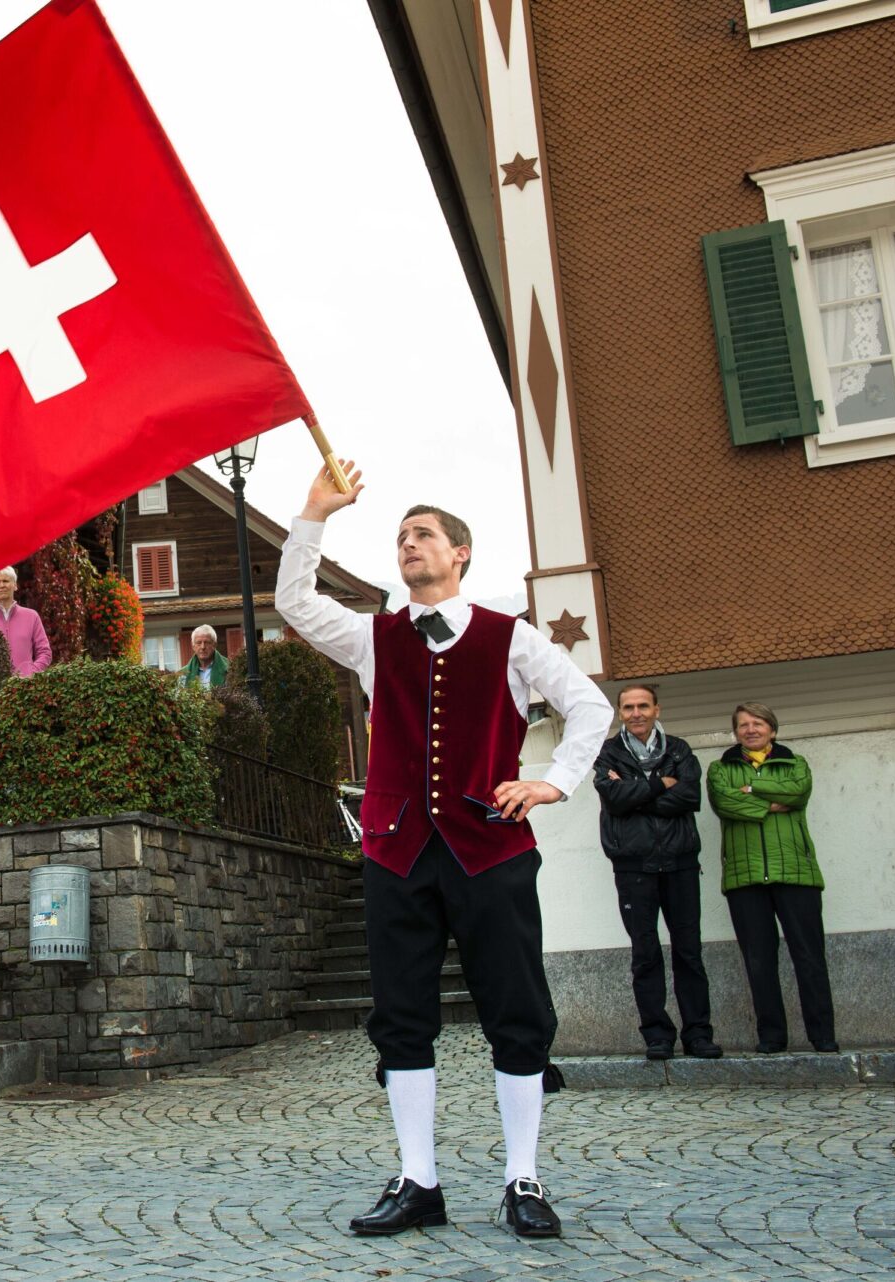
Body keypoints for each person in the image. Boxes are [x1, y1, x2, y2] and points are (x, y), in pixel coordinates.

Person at [277, 463, 610, 1240]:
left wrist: (551, 782)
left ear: (461, 553)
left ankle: (522, 1178)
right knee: (401, 1017)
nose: (408, 546)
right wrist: (313, 514)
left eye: (422, 535)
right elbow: (295, 601)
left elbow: (588, 706)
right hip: (397, 854)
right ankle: (418, 1179)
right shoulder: (373, 638)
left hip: (489, 849)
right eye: (400, 539)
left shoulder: (511, 638)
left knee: (516, 1010)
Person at [593, 685, 719, 1061]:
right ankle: (657, 1036)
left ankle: (698, 1034)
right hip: (634, 868)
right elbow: (613, 801)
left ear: (656, 709)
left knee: (689, 952)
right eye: (628, 707)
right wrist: (656, 785)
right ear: (619, 713)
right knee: (645, 954)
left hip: (679, 862)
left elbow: (689, 797)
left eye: (643, 706)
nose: (636, 713)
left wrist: (636, 794)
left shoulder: (678, 750)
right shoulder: (608, 753)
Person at [706, 701, 836, 1054]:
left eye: (758, 723)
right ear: (736, 732)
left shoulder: (796, 764)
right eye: (743, 725)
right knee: (759, 962)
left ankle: (823, 1036)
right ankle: (772, 1037)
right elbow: (725, 803)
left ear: (772, 730)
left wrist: (750, 791)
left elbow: (797, 793)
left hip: (797, 874)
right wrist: (767, 801)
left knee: (809, 958)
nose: (751, 729)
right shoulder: (720, 770)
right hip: (745, 878)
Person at [0, 566, 52, 676]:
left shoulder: (31, 616)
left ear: (15, 585)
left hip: (25, 687)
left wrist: (31, 673)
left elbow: (45, 652)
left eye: (6, 581)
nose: (2, 585)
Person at [179, 624, 228, 691]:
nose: (203, 647)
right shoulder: (182, 674)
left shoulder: (229, 669)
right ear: (193, 646)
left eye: (207, 642)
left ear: (215, 644)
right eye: (199, 643)